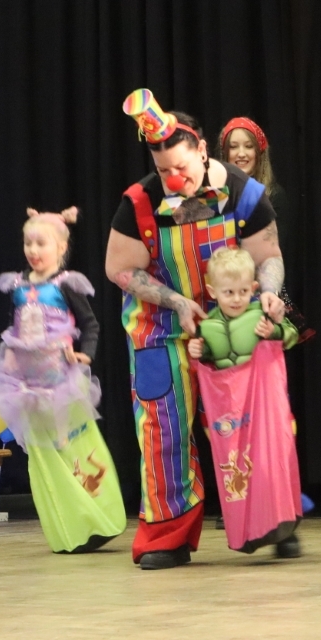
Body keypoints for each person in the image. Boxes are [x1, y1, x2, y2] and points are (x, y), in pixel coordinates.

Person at [105, 89, 286, 570]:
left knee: (248, 423)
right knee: (162, 429)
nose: (174, 178)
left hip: (232, 321)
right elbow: (119, 268)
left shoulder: (244, 194)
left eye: (182, 167)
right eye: (163, 169)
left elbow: (268, 257)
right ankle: (168, 535)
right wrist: (177, 301)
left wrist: (270, 294)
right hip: (160, 328)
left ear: (203, 150)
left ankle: (265, 518)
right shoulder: (140, 202)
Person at [0, 207, 126, 554]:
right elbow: (15, 326)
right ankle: (67, 529)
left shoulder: (66, 284)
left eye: (41, 244)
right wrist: (10, 354)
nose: (33, 251)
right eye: (28, 243)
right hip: (27, 386)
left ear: (61, 248)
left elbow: (90, 324)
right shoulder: (17, 285)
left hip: (61, 383)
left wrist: (86, 354)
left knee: (73, 447)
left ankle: (98, 519)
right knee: (43, 456)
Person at [187, 247, 303, 557]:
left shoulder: (260, 314)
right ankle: (249, 526)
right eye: (228, 292)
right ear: (213, 291)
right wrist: (200, 352)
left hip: (265, 407)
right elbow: (207, 365)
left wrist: (274, 331)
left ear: (253, 287)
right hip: (231, 412)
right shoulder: (206, 326)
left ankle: (284, 530)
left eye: (243, 291)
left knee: (269, 464)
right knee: (238, 466)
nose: (237, 298)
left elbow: (292, 335)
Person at [218, 117, 313, 341]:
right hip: (220, 292)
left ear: (259, 153)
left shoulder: (273, 197)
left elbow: (271, 254)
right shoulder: (213, 196)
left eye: (248, 146)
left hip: (257, 292)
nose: (241, 154)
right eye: (234, 147)